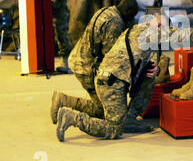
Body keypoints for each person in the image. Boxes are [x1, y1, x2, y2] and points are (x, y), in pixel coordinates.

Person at [55, 14, 163, 142]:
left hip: (107, 79)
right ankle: (72, 118)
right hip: (111, 84)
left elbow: (141, 68)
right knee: (114, 128)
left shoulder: (134, 30)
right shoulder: (146, 35)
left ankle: (129, 119)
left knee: (102, 111)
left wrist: (157, 69)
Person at [50, 0, 139, 125]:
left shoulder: (108, 11)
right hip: (86, 67)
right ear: (129, 15)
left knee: (104, 104)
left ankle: (63, 101)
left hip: (79, 58)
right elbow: (111, 58)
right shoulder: (116, 23)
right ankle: (64, 101)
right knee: (104, 111)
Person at [42, 0, 73, 73]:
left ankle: (66, 64)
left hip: (60, 14)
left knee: (62, 37)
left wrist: (47, 3)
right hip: (46, 13)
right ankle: (46, 62)